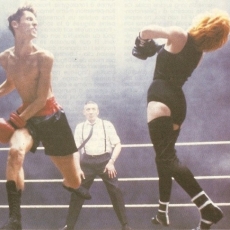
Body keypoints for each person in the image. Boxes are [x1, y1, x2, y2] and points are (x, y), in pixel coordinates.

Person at [132, 9, 230, 230]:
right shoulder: (199, 53)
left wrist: (140, 41)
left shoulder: (178, 34)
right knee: (164, 158)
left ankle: (207, 207)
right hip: (177, 102)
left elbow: (146, 30)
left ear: (202, 21)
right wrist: (154, 47)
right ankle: (162, 211)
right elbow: (172, 58)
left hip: (160, 97)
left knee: (167, 158)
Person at [0, 5, 90, 230]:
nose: (34, 23)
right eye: (29, 20)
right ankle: (15, 220)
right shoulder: (5, 58)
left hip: (51, 117)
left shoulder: (44, 57)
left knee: (75, 181)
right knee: (14, 152)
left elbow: (41, 99)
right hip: (28, 118)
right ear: (15, 25)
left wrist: (15, 120)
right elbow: (13, 81)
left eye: (35, 20)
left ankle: (72, 178)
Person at [62, 101, 132, 230]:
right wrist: (77, 168)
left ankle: (125, 225)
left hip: (105, 161)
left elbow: (118, 144)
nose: (90, 112)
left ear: (98, 111)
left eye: (93, 109)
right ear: (84, 112)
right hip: (87, 162)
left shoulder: (107, 125)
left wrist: (111, 162)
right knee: (77, 192)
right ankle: (69, 226)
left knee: (115, 191)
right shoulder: (80, 127)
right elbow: (75, 150)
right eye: (88, 109)